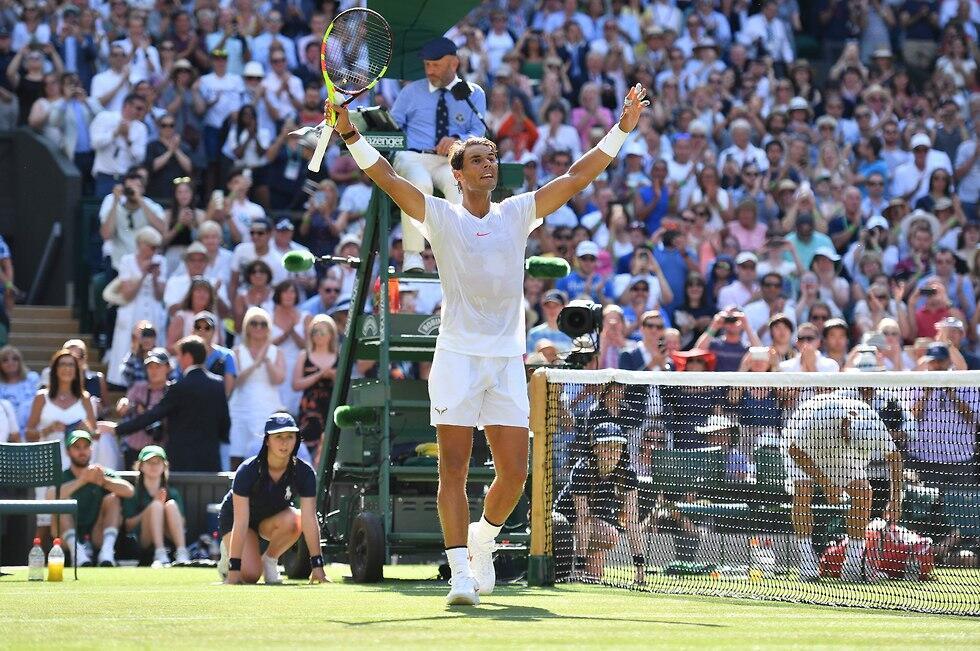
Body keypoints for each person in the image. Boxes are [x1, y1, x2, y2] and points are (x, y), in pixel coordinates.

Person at [328, 80, 649, 605]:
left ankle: (484, 538)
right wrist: (348, 133)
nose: (488, 165)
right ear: (457, 175)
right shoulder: (441, 216)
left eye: (493, 157)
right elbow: (386, 177)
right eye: (477, 160)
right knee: (451, 470)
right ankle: (458, 573)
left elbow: (576, 176)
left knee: (515, 477)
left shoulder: (517, 212)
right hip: (456, 358)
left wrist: (621, 129)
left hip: (504, 361)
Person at [389, 37, 487, 273]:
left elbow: (479, 130)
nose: (430, 70)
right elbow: (392, 126)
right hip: (413, 156)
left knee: (461, 188)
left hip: (451, 161)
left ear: (454, 64)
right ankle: (413, 256)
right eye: (427, 65)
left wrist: (458, 141)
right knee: (420, 184)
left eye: (436, 65)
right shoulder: (411, 91)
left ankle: (461, 255)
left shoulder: (473, 94)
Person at [786, 393, 903, 581]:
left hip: (840, 452)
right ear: (847, 426)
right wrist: (827, 484)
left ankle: (854, 563)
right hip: (801, 446)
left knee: (864, 492)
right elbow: (794, 450)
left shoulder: (873, 423)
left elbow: (894, 458)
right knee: (803, 489)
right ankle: (806, 557)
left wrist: (896, 499)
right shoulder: (819, 416)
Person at [217, 412, 327, 585]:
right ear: (267, 440)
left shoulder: (305, 472)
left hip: (269, 520)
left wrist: (317, 566)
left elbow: (309, 519)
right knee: (250, 575)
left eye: (290, 436)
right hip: (237, 521)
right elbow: (240, 521)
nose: (284, 442)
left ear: (296, 439)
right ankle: (227, 555)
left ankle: (270, 560)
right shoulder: (247, 470)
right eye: (278, 437)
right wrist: (234, 569)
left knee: (296, 519)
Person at [105, 336, 230, 472]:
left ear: (188, 357)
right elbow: (225, 423)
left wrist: (117, 430)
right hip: (210, 458)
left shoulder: (179, 387)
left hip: (181, 460)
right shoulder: (218, 385)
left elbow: (152, 415)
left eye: (179, 356)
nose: (178, 360)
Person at [554, 423, 644, 584]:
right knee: (608, 534)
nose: (612, 453)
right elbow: (582, 519)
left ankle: (582, 568)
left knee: (593, 580)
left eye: (617, 447)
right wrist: (580, 568)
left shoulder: (627, 472)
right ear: (595, 448)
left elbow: (632, 521)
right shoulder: (582, 469)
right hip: (563, 524)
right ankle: (576, 565)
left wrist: (639, 569)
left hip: (594, 526)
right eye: (606, 446)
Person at [50, 430, 135, 568]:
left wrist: (104, 481)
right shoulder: (63, 476)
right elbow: (49, 497)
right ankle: (77, 554)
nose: (82, 451)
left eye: (85, 447)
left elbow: (129, 491)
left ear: (91, 449)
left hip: (97, 535)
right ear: (67, 451)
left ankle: (107, 553)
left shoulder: (100, 472)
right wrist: (82, 480)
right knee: (62, 503)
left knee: (113, 499)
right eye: (77, 447)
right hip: (66, 539)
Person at [229, 307, 285, 470]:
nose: (258, 327)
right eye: (254, 323)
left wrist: (267, 362)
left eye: (263, 324)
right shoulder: (237, 351)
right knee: (236, 452)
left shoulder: (276, 352)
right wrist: (255, 363)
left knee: (264, 452)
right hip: (241, 409)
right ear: (247, 326)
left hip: (267, 408)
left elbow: (279, 379)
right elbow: (236, 381)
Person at [121, 445, 189, 566]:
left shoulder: (172, 493)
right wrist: (152, 507)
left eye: (158, 462)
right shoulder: (133, 493)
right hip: (143, 541)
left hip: (169, 537)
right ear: (141, 466)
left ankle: (182, 553)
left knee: (171, 505)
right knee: (156, 506)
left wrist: (164, 514)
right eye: (149, 462)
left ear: (164, 466)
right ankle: (159, 552)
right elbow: (128, 526)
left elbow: (182, 523)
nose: (154, 466)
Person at [114, 348, 172, 469]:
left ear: (167, 368)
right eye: (150, 367)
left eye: (158, 366)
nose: (153, 371)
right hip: (134, 449)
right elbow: (123, 408)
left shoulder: (173, 392)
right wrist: (126, 404)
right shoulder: (137, 388)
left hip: (161, 451)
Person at [292, 314, 338, 463]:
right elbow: (296, 384)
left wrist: (332, 376)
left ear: (331, 334)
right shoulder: (304, 355)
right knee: (307, 442)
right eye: (315, 332)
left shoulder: (339, 355)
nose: (318, 336)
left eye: (322, 332)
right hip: (310, 409)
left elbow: (346, 383)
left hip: (332, 404)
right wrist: (319, 375)